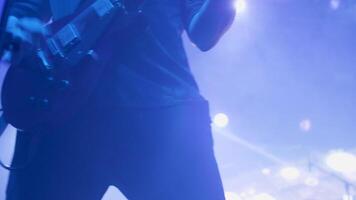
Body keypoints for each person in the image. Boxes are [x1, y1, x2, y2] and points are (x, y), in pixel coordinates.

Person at [4, 0, 235, 199]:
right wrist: (16, 30)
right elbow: (24, 10)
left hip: (159, 115)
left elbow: (204, 34)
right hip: (60, 103)